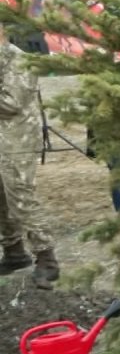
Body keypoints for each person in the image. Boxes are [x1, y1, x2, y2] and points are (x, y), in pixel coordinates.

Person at [0, 24, 59, 289]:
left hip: (17, 140)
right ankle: (14, 252)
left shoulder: (19, 58)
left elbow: (11, 103)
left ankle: (47, 260)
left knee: (21, 197)